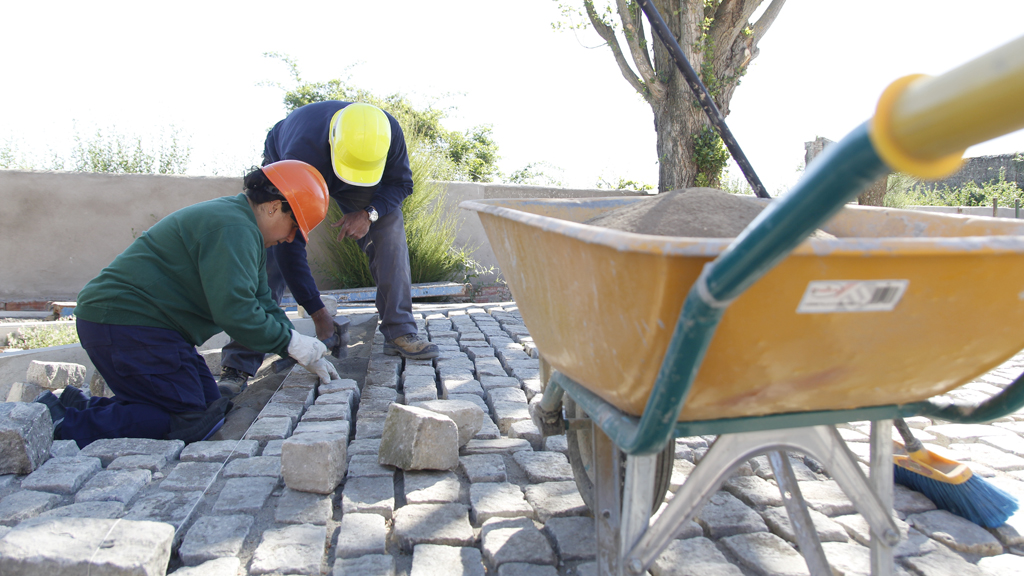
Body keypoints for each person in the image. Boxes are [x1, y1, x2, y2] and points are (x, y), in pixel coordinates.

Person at [35, 160, 339, 448]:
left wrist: (299, 348)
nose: (290, 239)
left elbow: (263, 302)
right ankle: (61, 422)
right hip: (123, 324)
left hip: (148, 328)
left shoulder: (244, 229)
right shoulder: (233, 229)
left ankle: (78, 404)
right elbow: (236, 311)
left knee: (211, 405)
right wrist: (290, 342)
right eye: (294, 227)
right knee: (191, 421)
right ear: (274, 207)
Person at [217, 101, 438, 397]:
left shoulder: (389, 134)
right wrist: (318, 313)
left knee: (390, 233)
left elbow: (401, 184)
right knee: (270, 245)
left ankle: (399, 330)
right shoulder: (301, 153)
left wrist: (369, 213)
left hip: (360, 183)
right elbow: (289, 249)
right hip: (304, 164)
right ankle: (240, 362)